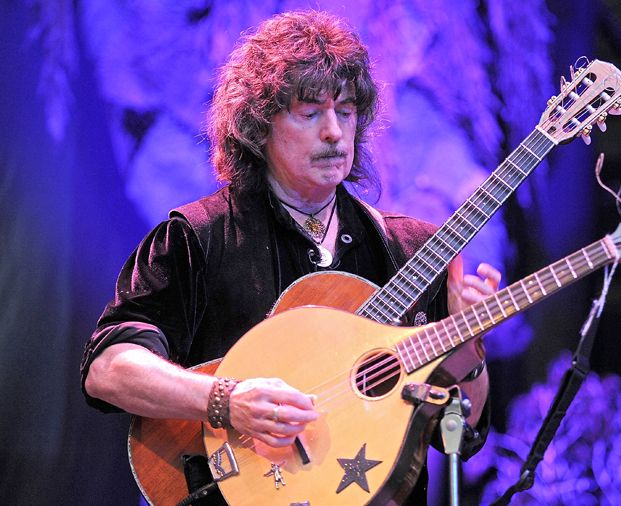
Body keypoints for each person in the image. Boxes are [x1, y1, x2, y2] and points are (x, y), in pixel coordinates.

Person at [81, 9, 501, 505]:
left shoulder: (410, 252)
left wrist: (469, 352)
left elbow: (460, 434)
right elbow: (108, 370)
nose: (334, 132)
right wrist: (225, 400)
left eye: (346, 111)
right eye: (310, 113)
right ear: (259, 126)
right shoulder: (198, 237)